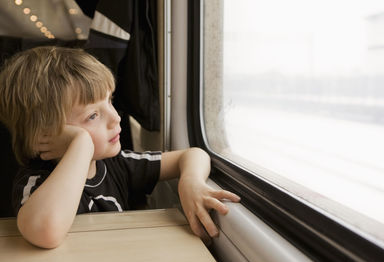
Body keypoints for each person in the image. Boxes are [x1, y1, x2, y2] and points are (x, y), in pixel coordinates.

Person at [0, 46, 240, 249]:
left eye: (110, 101)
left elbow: (193, 155)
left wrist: (190, 182)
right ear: (44, 134)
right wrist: (81, 145)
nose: (116, 118)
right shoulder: (35, 181)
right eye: (93, 115)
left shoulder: (117, 164)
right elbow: (46, 232)